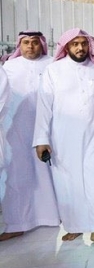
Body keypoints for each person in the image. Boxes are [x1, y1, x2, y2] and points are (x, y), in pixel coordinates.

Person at [32, 28, 94, 243]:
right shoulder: (54, 70)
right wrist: (41, 139)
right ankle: (75, 225)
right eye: (75, 44)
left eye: (84, 43)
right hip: (63, 136)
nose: (80, 48)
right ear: (66, 47)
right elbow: (44, 107)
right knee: (68, 182)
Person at [0, 31, 59, 241]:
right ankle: (18, 223)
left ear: (41, 44)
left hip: (49, 128)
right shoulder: (9, 67)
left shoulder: (53, 64)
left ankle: (54, 216)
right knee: (17, 175)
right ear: (20, 45)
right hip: (16, 129)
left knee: (50, 172)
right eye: (26, 42)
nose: (30, 46)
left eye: (35, 42)